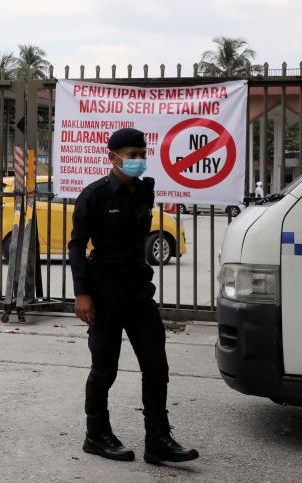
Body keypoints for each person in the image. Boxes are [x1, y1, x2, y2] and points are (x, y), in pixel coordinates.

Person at [68, 127, 199, 465]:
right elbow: (77, 245)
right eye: (132, 155)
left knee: (156, 366)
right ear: (112, 157)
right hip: (104, 292)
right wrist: (82, 293)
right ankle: (96, 435)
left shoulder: (145, 192)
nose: (139, 160)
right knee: (104, 370)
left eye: (142, 155)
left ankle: (158, 440)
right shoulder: (94, 195)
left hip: (139, 292)